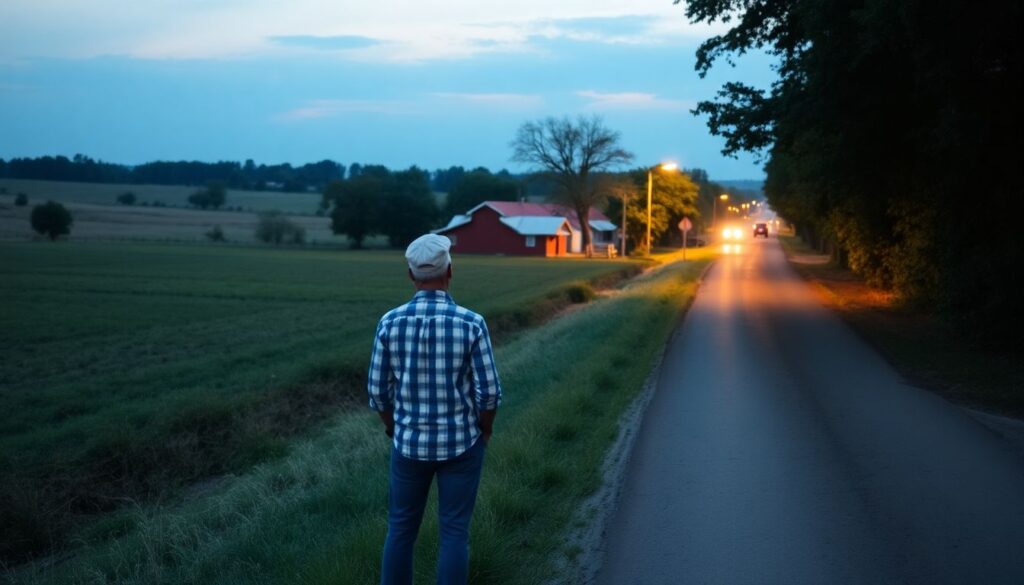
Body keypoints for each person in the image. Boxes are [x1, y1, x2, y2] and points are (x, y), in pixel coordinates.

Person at [368, 233, 502, 585]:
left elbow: (378, 392)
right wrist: (484, 431)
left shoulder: (389, 323)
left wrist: (393, 428)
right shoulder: (472, 323)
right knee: (454, 533)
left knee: (400, 531)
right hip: (461, 444)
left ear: (411, 277)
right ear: (451, 271)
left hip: (409, 445)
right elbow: (489, 393)